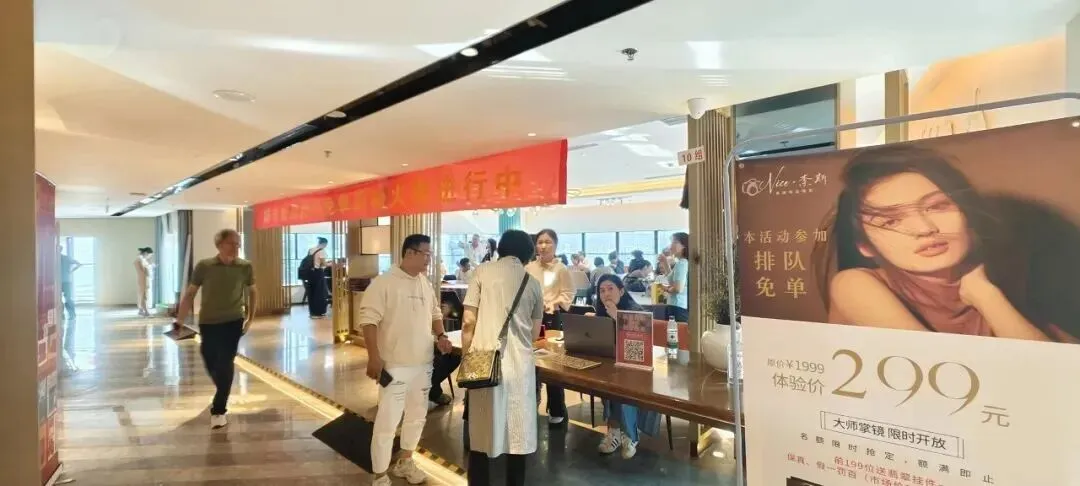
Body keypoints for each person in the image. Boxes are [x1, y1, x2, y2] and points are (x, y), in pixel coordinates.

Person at [823, 146, 1070, 342]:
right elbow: (935, 371)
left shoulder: (995, 276)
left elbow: (1058, 368)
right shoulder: (853, 284)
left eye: (938, 206)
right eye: (890, 221)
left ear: (967, 212)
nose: (925, 229)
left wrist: (986, 296)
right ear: (864, 246)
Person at [360, 234, 452, 486]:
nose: (429, 259)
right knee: (387, 421)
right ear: (410, 253)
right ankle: (379, 475)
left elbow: (435, 313)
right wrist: (373, 357)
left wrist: (441, 335)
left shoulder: (424, 283)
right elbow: (369, 321)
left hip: (422, 363)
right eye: (426, 254)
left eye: (430, 255)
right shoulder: (384, 283)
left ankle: (405, 462)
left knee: (417, 416)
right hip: (394, 366)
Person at [461, 229, 545, 486]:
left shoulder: (481, 272)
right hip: (519, 365)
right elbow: (534, 333)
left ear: (500, 249)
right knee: (517, 432)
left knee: (481, 430)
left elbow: (468, 322)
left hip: (484, 361)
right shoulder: (532, 283)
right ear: (528, 254)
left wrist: (467, 358)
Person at [175, 229, 256, 429]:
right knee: (210, 360)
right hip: (208, 322)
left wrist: (250, 319)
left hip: (233, 322)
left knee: (225, 362)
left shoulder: (245, 267)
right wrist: (180, 320)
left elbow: (253, 292)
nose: (236, 247)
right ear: (219, 245)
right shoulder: (204, 266)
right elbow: (190, 294)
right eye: (231, 243)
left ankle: (219, 409)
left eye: (238, 243)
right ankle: (222, 389)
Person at [587, 274, 661, 458]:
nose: (606, 294)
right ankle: (615, 432)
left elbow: (639, 344)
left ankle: (628, 435)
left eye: (610, 289)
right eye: (602, 291)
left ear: (621, 291)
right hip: (612, 364)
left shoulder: (636, 311)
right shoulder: (601, 312)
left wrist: (617, 316)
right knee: (607, 381)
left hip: (637, 367)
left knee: (620, 385)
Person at [525, 229, 574, 424]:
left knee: (552, 363)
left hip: (551, 318)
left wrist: (554, 303)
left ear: (555, 245)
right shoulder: (529, 267)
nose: (543, 246)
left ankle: (557, 407)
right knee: (530, 361)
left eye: (548, 242)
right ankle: (531, 402)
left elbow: (568, 293)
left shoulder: (561, 269)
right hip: (530, 318)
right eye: (540, 242)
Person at [665, 233, 690, 322]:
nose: (671, 245)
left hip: (677, 306)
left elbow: (678, 289)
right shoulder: (683, 262)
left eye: (674, 242)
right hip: (678, 305)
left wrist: (666, 289)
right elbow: (673, 282)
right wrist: (665, 262)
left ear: (684, 246)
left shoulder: (681, 263)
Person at [303, 237, 329, 318]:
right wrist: (330, 264)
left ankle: (312, 313)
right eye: (326, 245)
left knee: (312, 292)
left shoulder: (311, 250)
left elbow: (310, 262)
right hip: (318, 273)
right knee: (320, 293)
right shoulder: (322, 251)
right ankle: (319, 313)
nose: (326, 246)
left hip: (310, 273)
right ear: (324, 244)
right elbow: (324, 264)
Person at [59, 245, 82, 320]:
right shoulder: (66, 258)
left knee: (59, 299)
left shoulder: (54, 259)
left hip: (59, 282)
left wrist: (71, 271)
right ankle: (71, 314)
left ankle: (62, 315)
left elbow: (78, 264)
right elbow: (78, 264)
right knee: (68, 298)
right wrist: (71, 271)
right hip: (66, 281)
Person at [134, 247, 154, 316]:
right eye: (149, 255)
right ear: (146, 253)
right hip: (144, 278)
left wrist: (149, 266)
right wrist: (150, 267)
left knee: (141, 294)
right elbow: (145, 270)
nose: (149, 257)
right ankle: (146, 311)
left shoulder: (139, 259)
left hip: (141, 278)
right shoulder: (141, 259)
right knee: (144, 295)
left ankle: (141, 310)